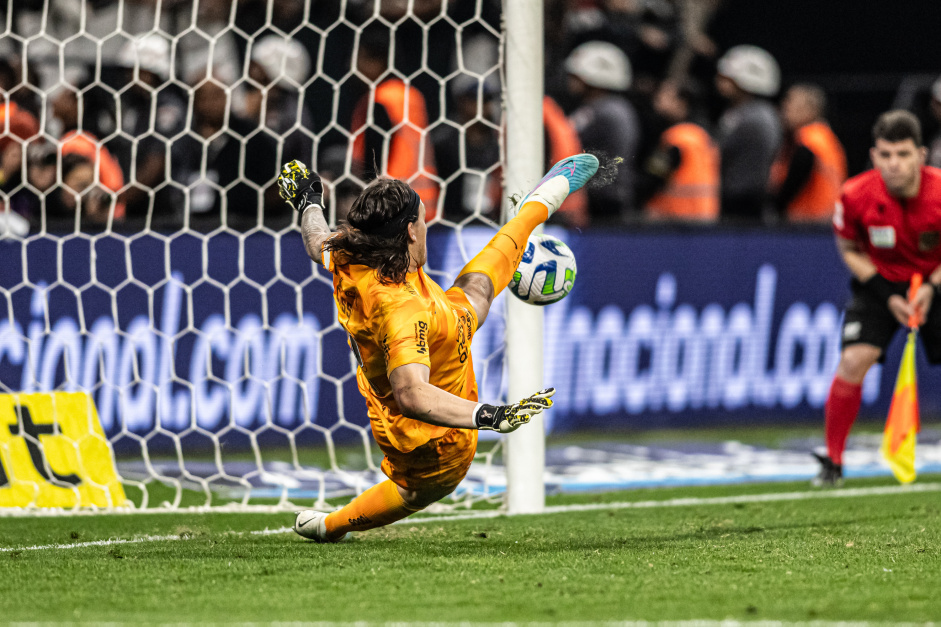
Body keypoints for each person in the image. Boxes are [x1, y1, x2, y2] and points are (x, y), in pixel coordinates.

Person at [279, 152, 600, 542]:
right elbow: (413, 394)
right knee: (417, 490)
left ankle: (542, 199)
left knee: (475, 291)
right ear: (411, 231)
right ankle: (333, 525)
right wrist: (490, 415)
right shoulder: (400, 311)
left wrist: (309, 201)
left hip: (425, 331)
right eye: (424, 219)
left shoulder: (350, 252)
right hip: (433, 435)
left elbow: (316, 242)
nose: (426, 227)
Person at [814, 110, 941, 486]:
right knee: (853, 362)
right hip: (880, 285)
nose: (894, 164)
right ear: (874, 156)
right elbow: (849, 248)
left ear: (921, 155)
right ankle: (833, 460)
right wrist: (888, 296)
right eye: (885, 155)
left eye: (902, 154)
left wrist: (931, 288)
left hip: (935, 281)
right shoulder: (855, 194)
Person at [350, 24, 440, 215]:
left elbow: (372, 157)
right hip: (424, 203)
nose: (353, 65)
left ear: (378, 61)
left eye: (359, 58)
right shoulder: (411, 95)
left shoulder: (380, 100)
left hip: (391, 206)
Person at [565, 41, 641, 223]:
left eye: (576, 76)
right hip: (607, 195)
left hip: (603, 201)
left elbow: (566, 139)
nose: (571, 81)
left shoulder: (604, 111)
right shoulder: (615, 108)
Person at [714, 45, 782, 222]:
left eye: (727, 78)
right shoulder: (742, 112)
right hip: (736, 196)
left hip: (743, 203)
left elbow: (720, 152)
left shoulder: (756, 117)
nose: (720, 81)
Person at [642, 78, 719, 222]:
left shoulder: (676, 138)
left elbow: (653, 178)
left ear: (681, 102)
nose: (658, 100)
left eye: (665, 96)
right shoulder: (704, 135)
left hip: (674, 220)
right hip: (704, 219)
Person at [770, 84, 847, 223]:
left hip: (808, 223)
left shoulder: (809, 140)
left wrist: (776, 206)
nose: (784, 108)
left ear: (810, 110)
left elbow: (797, 176)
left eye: (790, 103)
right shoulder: (824, 137)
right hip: (825, 220)